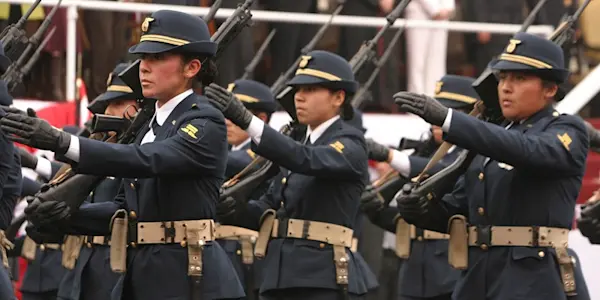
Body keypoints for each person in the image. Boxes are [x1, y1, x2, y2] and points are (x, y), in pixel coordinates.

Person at [0, 10, 244, 300]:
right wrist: (65, 217)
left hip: (190, 280)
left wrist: (61, 141)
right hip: (142, 278)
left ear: (191, 68)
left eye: (157, 58)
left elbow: (148, 159)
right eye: (143, 58)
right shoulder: (150, 126)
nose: (143, 67)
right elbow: (123, 210)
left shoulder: (205, 122)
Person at [393, 32, 588, 300]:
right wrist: (422, 211)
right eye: (502, 78)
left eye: (519, 78)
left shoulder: (566, 130)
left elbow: (526, 150)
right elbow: (462, 211)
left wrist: (452, 121)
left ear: (550, 89)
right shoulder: (492, 142)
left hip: (533, 280)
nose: (506, 87)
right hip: (478, 279)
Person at [205, 50, 371, 299]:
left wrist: (248, 121)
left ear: (338, 97)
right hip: (280, 276)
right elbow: (272, 208)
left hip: (323, 277)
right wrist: (236, 208)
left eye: (311, 90)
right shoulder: (298, 145)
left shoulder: (350, 143)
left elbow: (308, 160)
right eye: (297, 90)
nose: (299, 97)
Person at [364, 75, 478, 300]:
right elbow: (391, 209)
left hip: (451, 269)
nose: (436, 121)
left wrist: (390, 156)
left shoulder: (470, 155)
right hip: (414, 271)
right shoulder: (422, 154)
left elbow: (444, 172)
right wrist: (390, 215)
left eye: (447, 113)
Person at [56, 63, 137, 300]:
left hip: (117, 264)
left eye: (118, 103)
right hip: (85, 265)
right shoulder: (103, 148)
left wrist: (70, 214)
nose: (109, 111)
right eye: (108, 105)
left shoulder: (138, 153)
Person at [216, 78, 276, 300]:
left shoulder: (262, 153)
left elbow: (237, 162)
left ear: (260, 119)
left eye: (233, 115)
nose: (226, 122)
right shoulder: (226, 153)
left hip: (246, 252)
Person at [405, 0, 455, 96]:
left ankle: (435, 101)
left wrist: (448, 7)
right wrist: (435, 10)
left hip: (443, 13)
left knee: (437, 61)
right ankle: (415, 104)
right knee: (417, 62)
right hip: (418, 12)